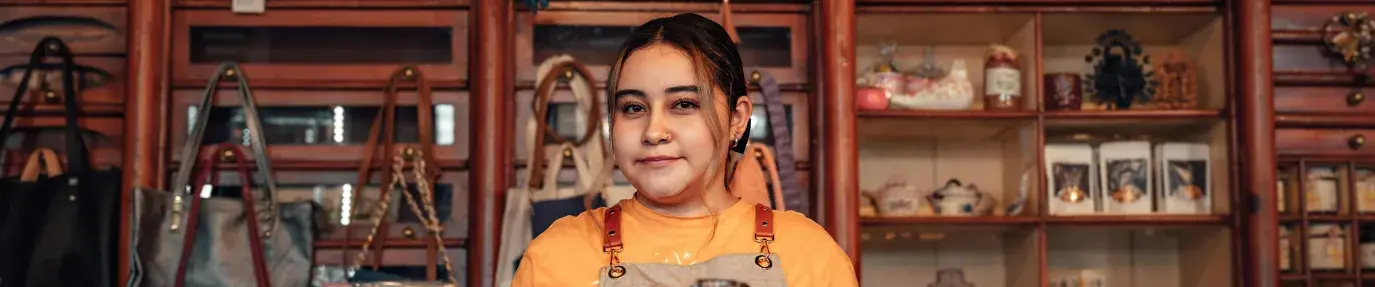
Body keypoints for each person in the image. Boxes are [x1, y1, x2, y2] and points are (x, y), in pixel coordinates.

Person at [511, 13, 858, 287]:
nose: (654, 131)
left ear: (737, 118)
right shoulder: (557, 255)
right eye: (633, 107)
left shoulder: (809, 254)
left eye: (684, 104)